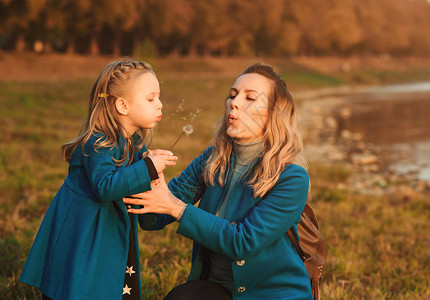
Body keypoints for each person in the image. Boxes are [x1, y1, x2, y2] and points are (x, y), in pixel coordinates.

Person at [124, 63, 312, 299]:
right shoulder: (212, 159)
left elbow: (242, 242)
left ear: (274, 114)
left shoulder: (292, 177)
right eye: (232, 95)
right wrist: (147, 176)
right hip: (219, 290)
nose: (235, 102)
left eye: (250, 98)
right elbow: (152, 220)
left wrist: (175, 206)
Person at [19, 59, 177, 300]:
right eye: (151, 98)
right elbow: (105, 186)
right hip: (85, 233)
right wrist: (146, 168)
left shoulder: (132, 142)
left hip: (107, 232)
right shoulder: (99, 142)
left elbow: (128, 179)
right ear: (123, 105)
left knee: (107, 283)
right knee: (81, 286)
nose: (160, 104)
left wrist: (145, 159)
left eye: (158, 97)